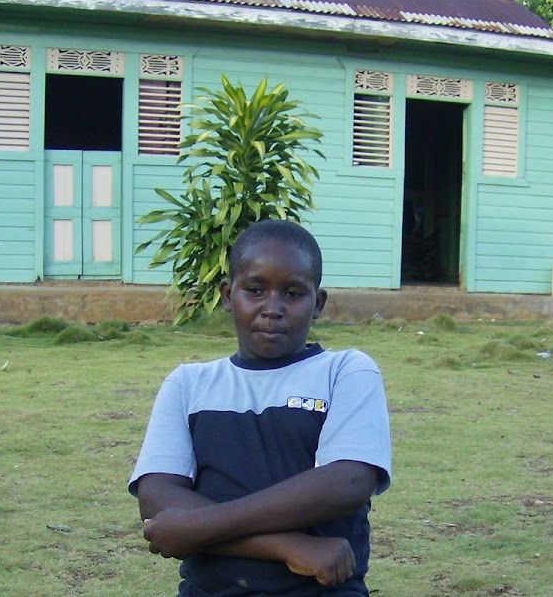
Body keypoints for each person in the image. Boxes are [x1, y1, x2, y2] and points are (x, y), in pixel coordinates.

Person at [129, 219, 392, 596]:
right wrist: (288, 546)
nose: (272, 308)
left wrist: (195, 527)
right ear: (227, 295)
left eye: (293, 293)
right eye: (255, 290)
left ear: (318, 304)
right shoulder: (188, 383)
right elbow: (157, 499)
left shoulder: (345, 371)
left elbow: (348, 481)